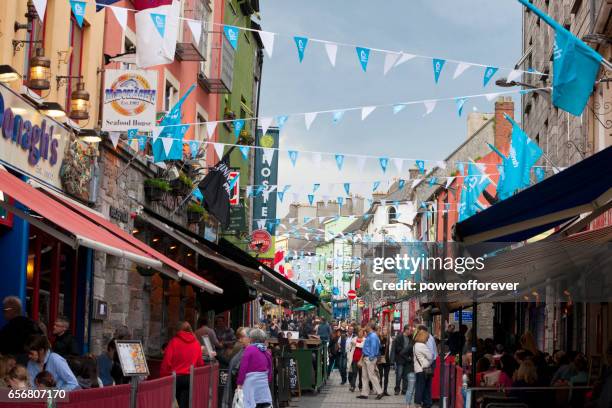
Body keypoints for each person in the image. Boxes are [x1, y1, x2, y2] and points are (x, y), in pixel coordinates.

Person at [160, 321, 204, 408]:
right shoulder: (196, 343)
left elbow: (167, 362)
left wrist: (163, 377)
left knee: (176, 403)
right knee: (186, 403)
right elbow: (200, 363)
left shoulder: (174, 342)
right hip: (190, 378)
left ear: (178, 330)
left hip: (176, 378)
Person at [237, 328, 273, 408]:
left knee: (249, 403)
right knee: (262, 403)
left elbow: (243, 367)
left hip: (251, 382)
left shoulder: (249, 349)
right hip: (263, 382)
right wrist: (268, 380)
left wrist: (240, 382)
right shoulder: (266, 351)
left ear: (251, 339)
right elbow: (270, 368)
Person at [0, 296, 42, 365]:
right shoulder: (32, 324)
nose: (3, 313)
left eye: (5, 310)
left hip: (16, 366)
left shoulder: (8, 329)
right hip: (34, 363)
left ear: (12, 310)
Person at [222, 327, 250, 408]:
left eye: (243, 337)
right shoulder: (242, 348)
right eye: (240, 337)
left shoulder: (243, 349)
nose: (241, 340)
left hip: (241, 386)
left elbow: (240, 369)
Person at [358, 322, 383, 400]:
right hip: (367, 357)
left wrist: (371, 357)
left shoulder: (373, 336)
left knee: (372, 376)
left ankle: (379, 392)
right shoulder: (370, 335)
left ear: (370, 327)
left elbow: (374, 347)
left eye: (366, 325)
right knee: (364, 376)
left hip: (369, 358)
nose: (365, 327)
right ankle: (364, 393)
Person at [413, 329, 433, 408]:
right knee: (423, 387)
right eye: (427, 338)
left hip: (418, 369)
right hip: (423, 369)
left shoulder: (415, 345)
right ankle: (421, 403)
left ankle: (421, 402)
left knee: (419, 386)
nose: (427, 339)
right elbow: (430, 356)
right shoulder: (422, 346)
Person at [392, 324, 414, 396]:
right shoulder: (399, 337)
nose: (410, 331)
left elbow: (411, 348)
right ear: (406, 330)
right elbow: (398, 349)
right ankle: (397, 389)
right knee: (399, 375)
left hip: (408, 360)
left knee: (406, 376)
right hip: (400, 359)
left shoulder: (411, 337)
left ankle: (404, 390)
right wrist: (405, 353)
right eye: (409, 330)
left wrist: (410, 357)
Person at [347, 327, 364, 392]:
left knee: (361, 374)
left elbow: (362, 346)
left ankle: (360, 386)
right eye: (359, 332)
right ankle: (353, 386)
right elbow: (349, 346)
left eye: (361, 332)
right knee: (354, 373)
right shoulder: (354, 339)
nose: (360, 333)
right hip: (354, 359)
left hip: (361, 359)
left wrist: (356, 344)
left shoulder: (365, 339)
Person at [377, 328, 391, 396]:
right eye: (383, 330)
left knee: (386, 376)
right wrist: (382, 345)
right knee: (380, 375)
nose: (384, 331)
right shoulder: (379, 339)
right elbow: (378, 347)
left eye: (386, 330)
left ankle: (385, 390)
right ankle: (379, 390)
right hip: (380, 359)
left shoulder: (389, 339)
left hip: (387, 360)